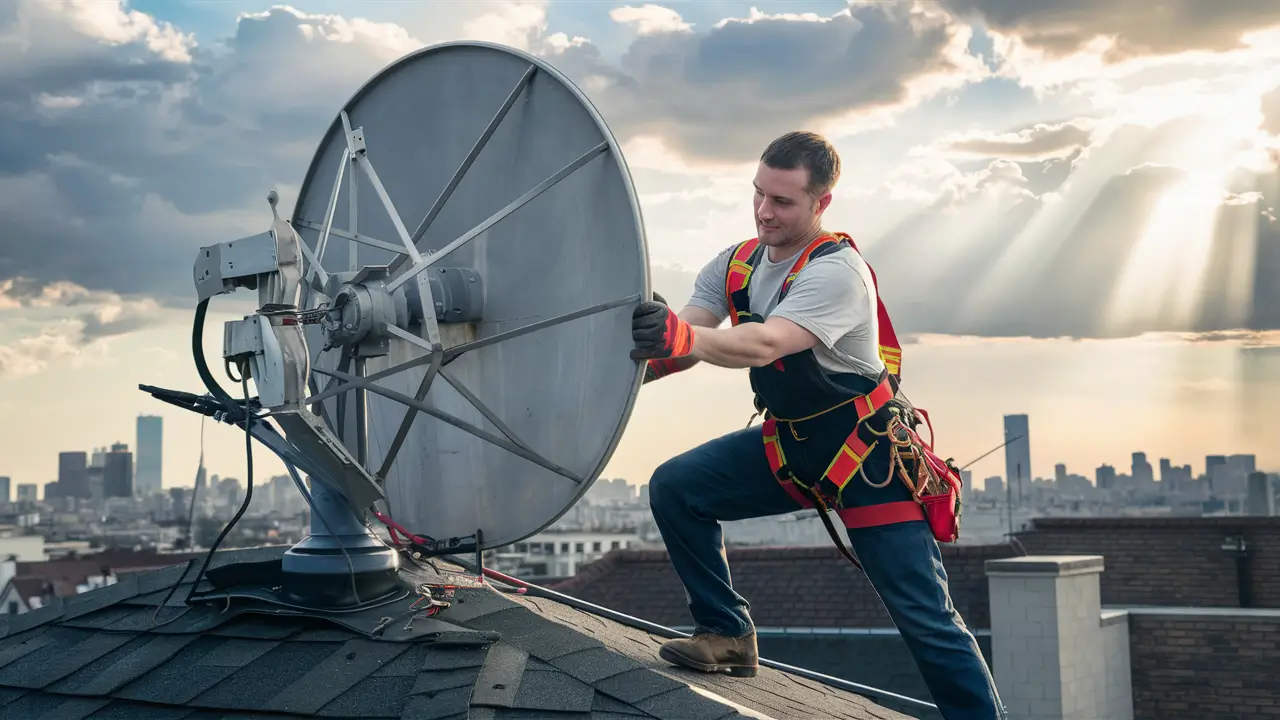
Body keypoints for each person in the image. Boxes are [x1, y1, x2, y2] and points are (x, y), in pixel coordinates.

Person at [629, 131, 1007, 720]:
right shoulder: (736, 264)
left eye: (782, 202)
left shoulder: (837, 274)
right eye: (758, 194)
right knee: (677, 488)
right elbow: (691, 336)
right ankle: (726, 636)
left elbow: (764, 342)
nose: (763, 211)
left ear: (821, 203)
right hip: (793, 446)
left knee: (926, 619)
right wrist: (640, 356)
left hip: (869, 460)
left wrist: (683, 337)